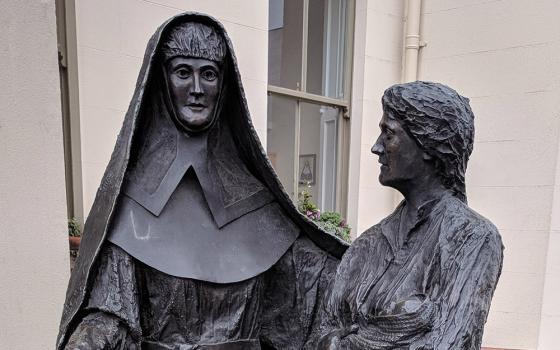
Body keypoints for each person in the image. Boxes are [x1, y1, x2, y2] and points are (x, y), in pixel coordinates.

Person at [57, 13, 346, 350]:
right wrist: (87, 341)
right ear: (162, 81)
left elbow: (316, 284)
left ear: (223, 85)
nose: (196, 89)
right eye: (183, 72)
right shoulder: (132, 203)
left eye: (208, 74)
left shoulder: (255, 200)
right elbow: (110, 313)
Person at [319, 81, 503, 349]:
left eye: (388, 134)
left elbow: (449, 342)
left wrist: (351, 343)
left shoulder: (473, 238)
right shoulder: (368, 243)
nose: (376, 147)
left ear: (429, 144)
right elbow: (325, 331)